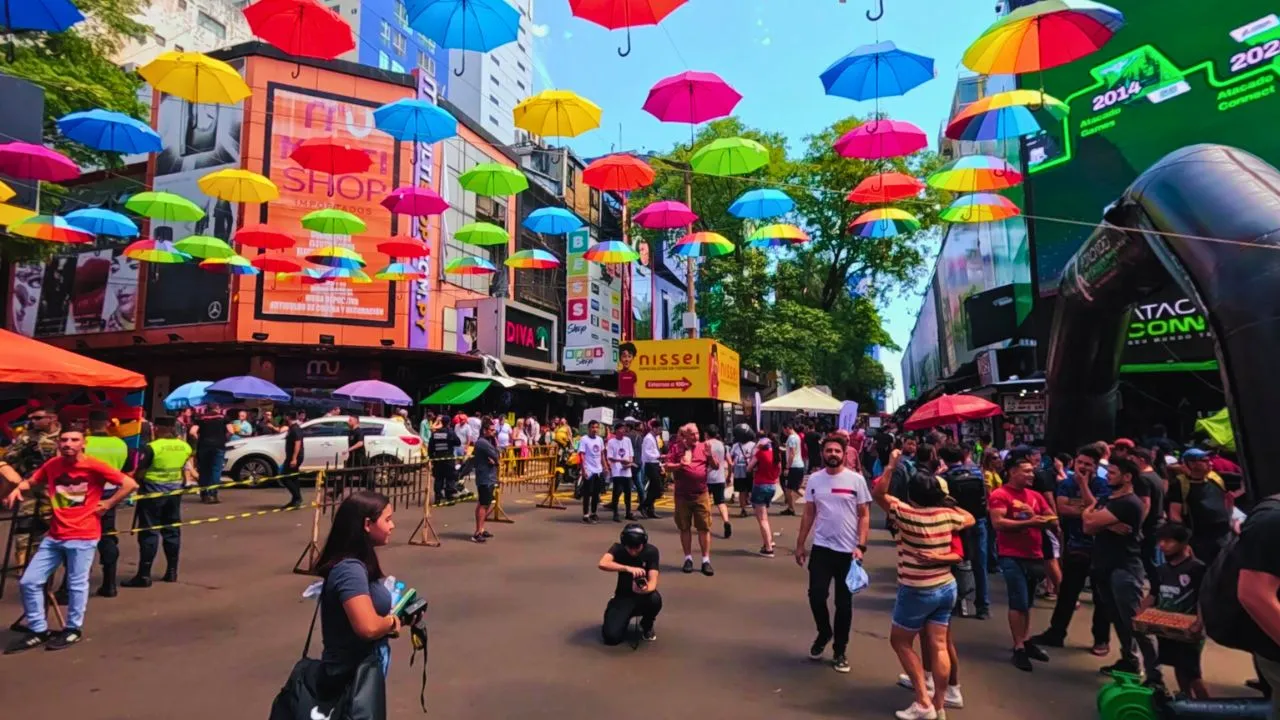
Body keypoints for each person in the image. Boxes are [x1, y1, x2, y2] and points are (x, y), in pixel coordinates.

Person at [3, 426, 138, 653]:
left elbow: (130, 484)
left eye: (74, 440)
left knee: (76, 585)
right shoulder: (53, 465)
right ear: (58, 443)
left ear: (83, 443)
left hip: (83, 535)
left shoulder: (93, 465)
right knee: (29, 581)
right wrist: (17, 489)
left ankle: (73, 628)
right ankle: (38, 629)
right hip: (55, 535)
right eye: (64, 440)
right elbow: (32, 481)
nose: (68, 444)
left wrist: (107, 503)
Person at [873, 450, 973, 720]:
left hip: (916, 588)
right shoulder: (947, 515)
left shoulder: (906, 514)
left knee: (900, 641)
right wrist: (948, 502)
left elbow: (879, 493)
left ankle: (922, 700)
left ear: (912, 495)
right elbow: (970, 518)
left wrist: (891, 465)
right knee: (939, 645)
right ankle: (939, 703)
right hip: (946, 586)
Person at [312, 491, 408, 698]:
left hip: (362, 669)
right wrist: (392, 622)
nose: (392, 526)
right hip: (350, 677)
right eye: (387, 520)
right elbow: (368, 627)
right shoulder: (350, 570)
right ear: (367, 524)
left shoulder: (361, 562)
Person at [795, 435, 871, 674]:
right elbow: (809, 513)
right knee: (816, 596)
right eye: (829, 450)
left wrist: (861, 546)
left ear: (844, 454)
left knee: (843, 604)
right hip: (822, 548)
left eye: (837, 451)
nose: (833, 454)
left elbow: (864, 515)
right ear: (822, 453)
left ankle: (840, 650)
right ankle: (824, 632)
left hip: (848, 552)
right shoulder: (815, 480)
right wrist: (800, 544)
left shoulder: (856, 480)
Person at [1030, 445, 1112, 657]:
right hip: (1075, 547)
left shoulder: (1103, 485)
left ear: (1095, 467)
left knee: (1101, 597)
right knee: (1067, 593)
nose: (1082, 467)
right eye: (1080, 462)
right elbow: (1063, 508)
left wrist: (1084, 489)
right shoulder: (1066, 484)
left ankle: (1101, 639)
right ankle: (1056, 633)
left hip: (1100, 549)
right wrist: (1087, 510)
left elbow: (1099, 512)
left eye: (1088, 464)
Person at [1082, 454, 1157, 677]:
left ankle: (1154, 673)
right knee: (1118, 619)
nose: (1108, 476)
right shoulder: (1110, 498)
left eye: (1113, 473)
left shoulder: (1128, 503)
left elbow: (1088, 522)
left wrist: (1091, 515)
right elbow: (1090, 525)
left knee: (1134, 621)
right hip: (1106, 565)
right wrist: (1105, 522)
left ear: (1127, 477)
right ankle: (1130, 661)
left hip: (1125, 568)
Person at [989, 453, 1059, 672]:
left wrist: (1040, 519)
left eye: (1032, 471)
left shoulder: (1035, 495)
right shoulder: (1000, 495)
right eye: (1026, 471)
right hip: (1011, 555)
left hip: (1035, 554)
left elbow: (1052, 518)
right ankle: (1018, 646)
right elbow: (998, 523)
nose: (1031, 474)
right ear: (1012, 472)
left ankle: (1025, 640)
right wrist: (1030, 521)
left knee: (1027, 602)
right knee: (1018, 600)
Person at [122, 417, 193, 588]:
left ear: (158, 428)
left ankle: (144, 575)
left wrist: (136, 479)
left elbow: (141, 471)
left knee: (149, 533)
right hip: (174, 493)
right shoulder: (184, 446)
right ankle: (172, 571)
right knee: (172, 531)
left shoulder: (153, 447)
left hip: (152, 493)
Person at [1142, 523, 1207, 697]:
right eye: (1160, 541)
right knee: (1179, 667)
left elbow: (1203, 598)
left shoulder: (1197, 568)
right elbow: (1153, 594)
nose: (1162, 545)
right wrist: (1138, 615)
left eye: (1168, 541)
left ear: (1183, 543)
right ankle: (1186, 701)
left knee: (1193, 673)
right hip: (1168, 628)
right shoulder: (1161, 570)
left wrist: (1199, 623)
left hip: (1189, 630)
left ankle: (1207, 706)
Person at [940, 444, 990, 619]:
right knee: (980, 565)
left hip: (955, 524)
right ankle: (983, 606)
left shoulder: (944, 477)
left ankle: (955, 601)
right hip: (978, 521)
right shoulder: (977, 473)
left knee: (954, 561)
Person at [83, 410, 129, 598]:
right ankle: (109, 584)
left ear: (89, 423)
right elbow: (126, 469)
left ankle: (71, 586)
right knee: (107, 535)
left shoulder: (83, 443)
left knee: (79, 538)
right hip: (111, 493)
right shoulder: (120, 444)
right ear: (108, 423)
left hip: (85, 493)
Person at [598, 523, 662, 646]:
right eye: (630, 547)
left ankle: (647, 624)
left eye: (637, 547)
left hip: (643, 596)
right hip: (623, 596)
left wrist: (643, 590)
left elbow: (653, 582)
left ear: (643, 543)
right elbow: (602, 563)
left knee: (655, 599)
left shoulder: (651, 551)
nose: (633, 551)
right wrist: (627, 568)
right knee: (611, 638)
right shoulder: (618, 549)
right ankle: (617, 612)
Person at [666, 423, 715, 576]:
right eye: (692, 434)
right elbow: (667, 466)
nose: (696, 437)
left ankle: (706, 560)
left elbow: (715, 466)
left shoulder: (704, 447)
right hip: (682, 496)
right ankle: (688, 558)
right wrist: (680, 465)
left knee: (704, 528)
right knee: (684, 527)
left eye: (697, 433)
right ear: (685, 436)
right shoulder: (676, 448)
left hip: (701, 494)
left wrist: (710, 455)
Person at [1168, 447, 1232, 565]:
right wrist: (1185, 540)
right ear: (1192, 464)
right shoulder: (1180, 484)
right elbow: (1174, 514)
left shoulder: (1215, 478)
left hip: (1224, 535)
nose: (1210, 463)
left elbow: (1227, 499)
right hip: (1201, 539)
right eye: (1204, 460)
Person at [191, 404, 234, 503]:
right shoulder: (224, 418)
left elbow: (192, 432)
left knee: (204, 470)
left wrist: (199, 439)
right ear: (217, 409)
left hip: (204, 446)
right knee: (216, 470)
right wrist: (225, 438)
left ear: (207, 409)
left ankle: (204, 494)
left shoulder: (201, 418)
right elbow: (231, 431)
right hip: (219, 446)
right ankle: (213, 494)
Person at [748, 431, 781, 557]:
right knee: (764, 517)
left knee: (762, 519)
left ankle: (768, 548)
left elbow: (749, 468)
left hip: (760, 485)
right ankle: (769, 541)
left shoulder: (760, 453)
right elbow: (779, 469)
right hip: (772, 486)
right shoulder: (777, 454)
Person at [471, 418, 500, 543]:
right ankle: (477, 532)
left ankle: (481, 529)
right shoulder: (482, 442)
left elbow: (496, 455)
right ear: (484, 430)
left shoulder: (488, 441)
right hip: (485, 478)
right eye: (491, 430)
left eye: (494, 430)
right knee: (483, 504)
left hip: (489, 477)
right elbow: (496, 454)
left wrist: (495, 459)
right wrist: (495, 460)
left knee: (485, 503)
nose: (494, 432)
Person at [704, 424, 731, 539]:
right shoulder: (722, 445)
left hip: (707, 478)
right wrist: (729, 475)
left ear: (707, 434)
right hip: (720, 478)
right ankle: (726, 521)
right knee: (721, 502)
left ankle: (707, 525)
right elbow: (729, 462)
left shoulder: (705, 445)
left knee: (705, 502)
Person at [606, 423, 637, 522]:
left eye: (624, 429)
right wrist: (621, 461)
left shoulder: (627, 440)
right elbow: (610, 457)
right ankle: (615, 513)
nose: (623, 431)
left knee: (628, 493)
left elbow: (631, 454)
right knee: (617, 492)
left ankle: (628, 512)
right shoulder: (611, 442)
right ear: (616, 431)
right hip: (617, 471)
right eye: (621, 429)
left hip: (627, 471)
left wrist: (629, 463)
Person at [428, 418, 461, 504]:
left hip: (438, 460)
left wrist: (432, 458)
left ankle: (437, 498)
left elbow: (430, 447)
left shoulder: (435, 433)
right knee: (450, 478)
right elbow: (458, 442)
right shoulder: (450, 432)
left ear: (441, 422)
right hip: (448, 459)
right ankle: (449, 497)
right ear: (449, 423)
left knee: (438, 479)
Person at [579, 420, 606, 523]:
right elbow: (581, 455)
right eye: (593, 427)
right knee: (587, 493)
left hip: (598, 470)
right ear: (589, 428)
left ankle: (593, 513)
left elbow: (602, 454)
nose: (595, 429)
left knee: (596, 493)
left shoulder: (600, 439)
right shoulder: (584, 439)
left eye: (596, 427)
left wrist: (605, 466)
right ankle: (586, 515)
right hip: (589, 470)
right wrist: (583, 469)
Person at [637, 420, 663, 519]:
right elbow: (648, 453)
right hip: (650, 464)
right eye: (659, 429)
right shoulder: (648, 438)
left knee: (653, 488)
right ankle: (643, 506)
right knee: (657, 487)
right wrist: (659, 456)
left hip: (655, 463)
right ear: (654, 428)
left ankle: (650, 509)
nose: (660, 431)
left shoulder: (655, 437)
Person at [730, 425, 756, 520]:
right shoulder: (753, 445)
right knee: (749, 489)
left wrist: (731, 468)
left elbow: (731, 457)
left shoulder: (735, 446)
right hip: (749, 469)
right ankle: (750, 506)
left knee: (742, 490)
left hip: (739, 470)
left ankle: (743, 509)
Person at [280, 412, 306, 509]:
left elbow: (297, 444)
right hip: (291, 456)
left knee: (284, 477)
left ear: (288, 417)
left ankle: (297, 498)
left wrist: (294, 458)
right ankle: (295, 500)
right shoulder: (292, 428)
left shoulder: (295, 429)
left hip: (295, 457)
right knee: (294, 478)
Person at [782, 422, 806, 516]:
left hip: (794, 466)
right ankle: (790, 508)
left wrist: (787, 467)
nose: (783, 432)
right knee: (794, 488)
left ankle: (791, 508)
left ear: (787, 428)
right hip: (798, 465)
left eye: (784, 429)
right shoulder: (796, 436)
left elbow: (792, 453)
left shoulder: (792, 438)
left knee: (790, 489)